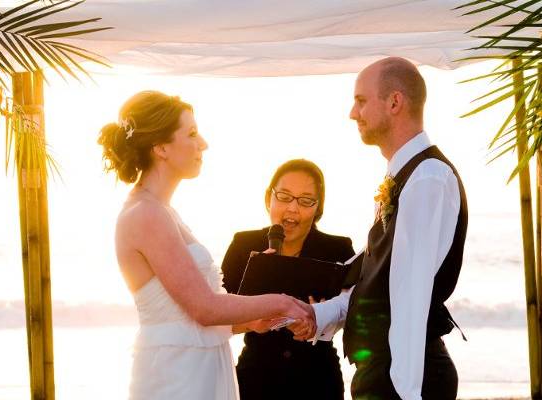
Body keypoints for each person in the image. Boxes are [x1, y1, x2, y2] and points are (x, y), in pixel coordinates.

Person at [97, 91, 314, 400]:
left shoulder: (164, 211)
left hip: (198, 367)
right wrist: (282, 302)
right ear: (161, 148)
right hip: (177, 377)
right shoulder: (146, 214)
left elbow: (187, 318)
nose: (204, 144)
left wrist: (248, 322)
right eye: (192, 134)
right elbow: (204, 308)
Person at [292, 57, 468, 399]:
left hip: (401, 378)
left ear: (394, 102)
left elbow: (409, 296)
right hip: (381, 372)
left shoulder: (427, 177)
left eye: (360, 101)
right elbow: (376, 282)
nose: (352, 113)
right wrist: (316, 314)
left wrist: (406, 392)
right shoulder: (403, 178)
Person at [221, 159, 355, 400]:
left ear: (318, 209)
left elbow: (354, 311)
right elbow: (216, 316)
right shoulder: (243, 245)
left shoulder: (339, 249)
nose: (292, 208)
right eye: (284, 196)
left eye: (305, 201)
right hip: (255, 379)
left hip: (319, 381)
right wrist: (252, 318)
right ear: (268, 198)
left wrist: (320, 318)